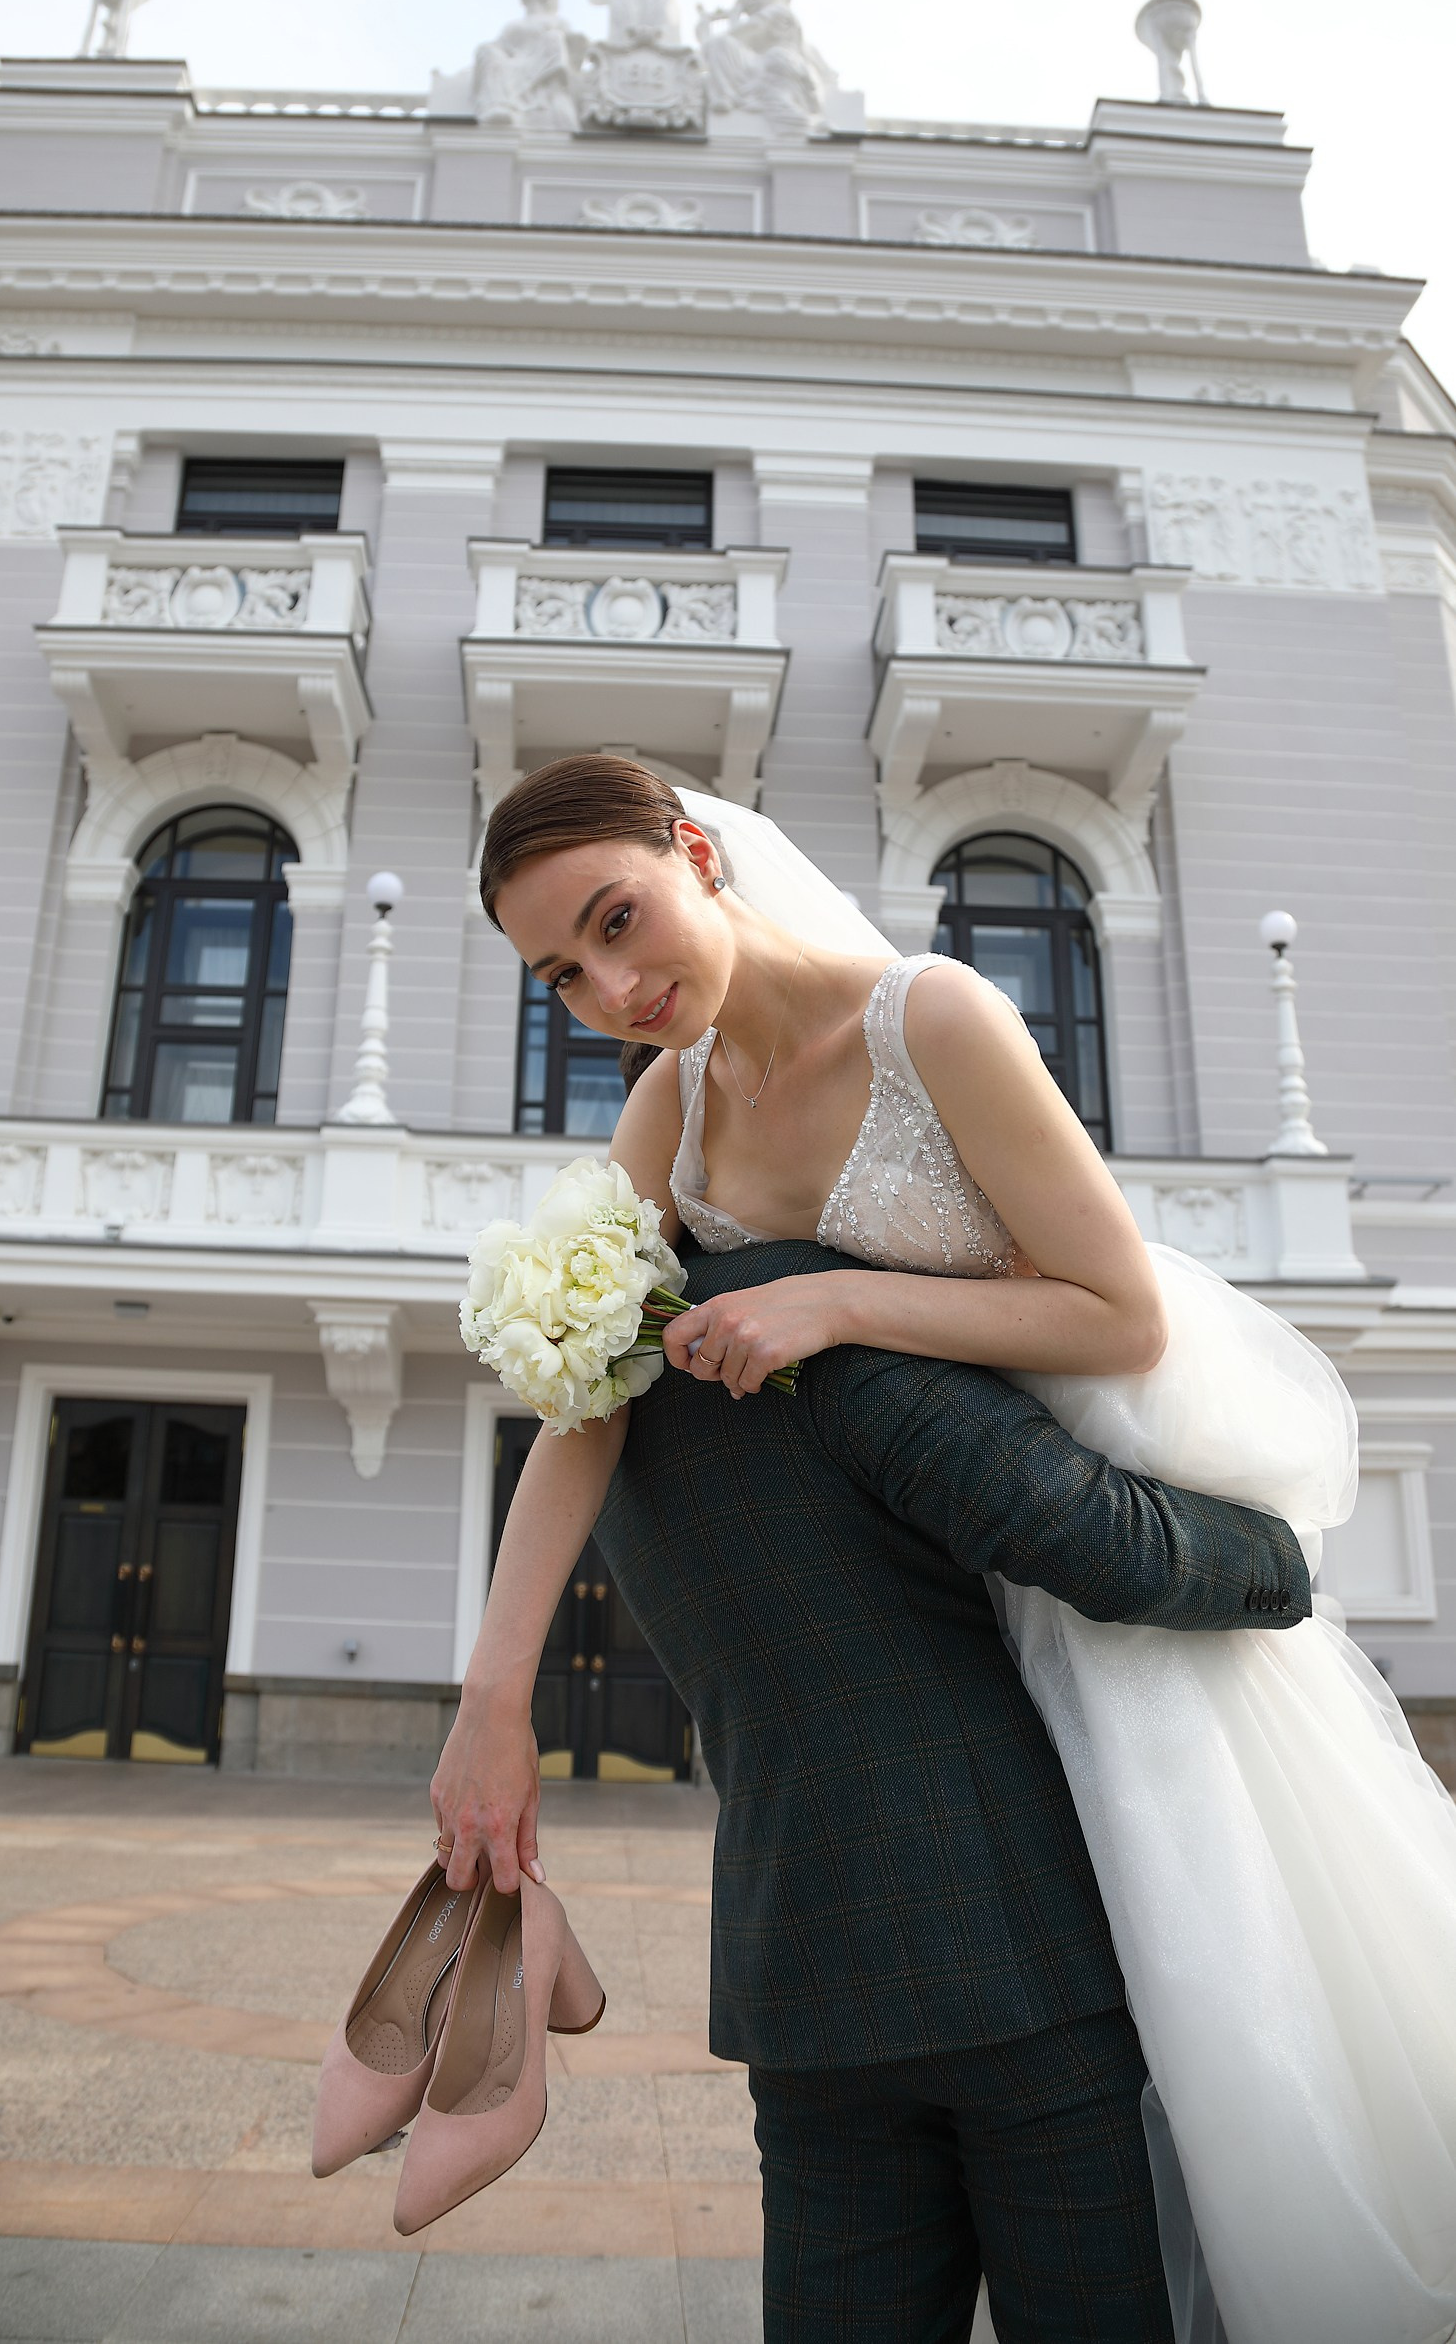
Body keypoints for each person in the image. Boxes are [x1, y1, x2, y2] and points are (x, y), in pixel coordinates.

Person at [434, 755, 1456, 2344]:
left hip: (1064, 1513)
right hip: (911, 1583)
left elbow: (1111, 1312)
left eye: (618, 922)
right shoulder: (670, 1109)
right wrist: (491, 1702)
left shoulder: (932, 1020)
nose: (612, 988)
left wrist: (835, 1299)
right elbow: (585, 1398)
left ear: (698, 853)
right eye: (560, 974)